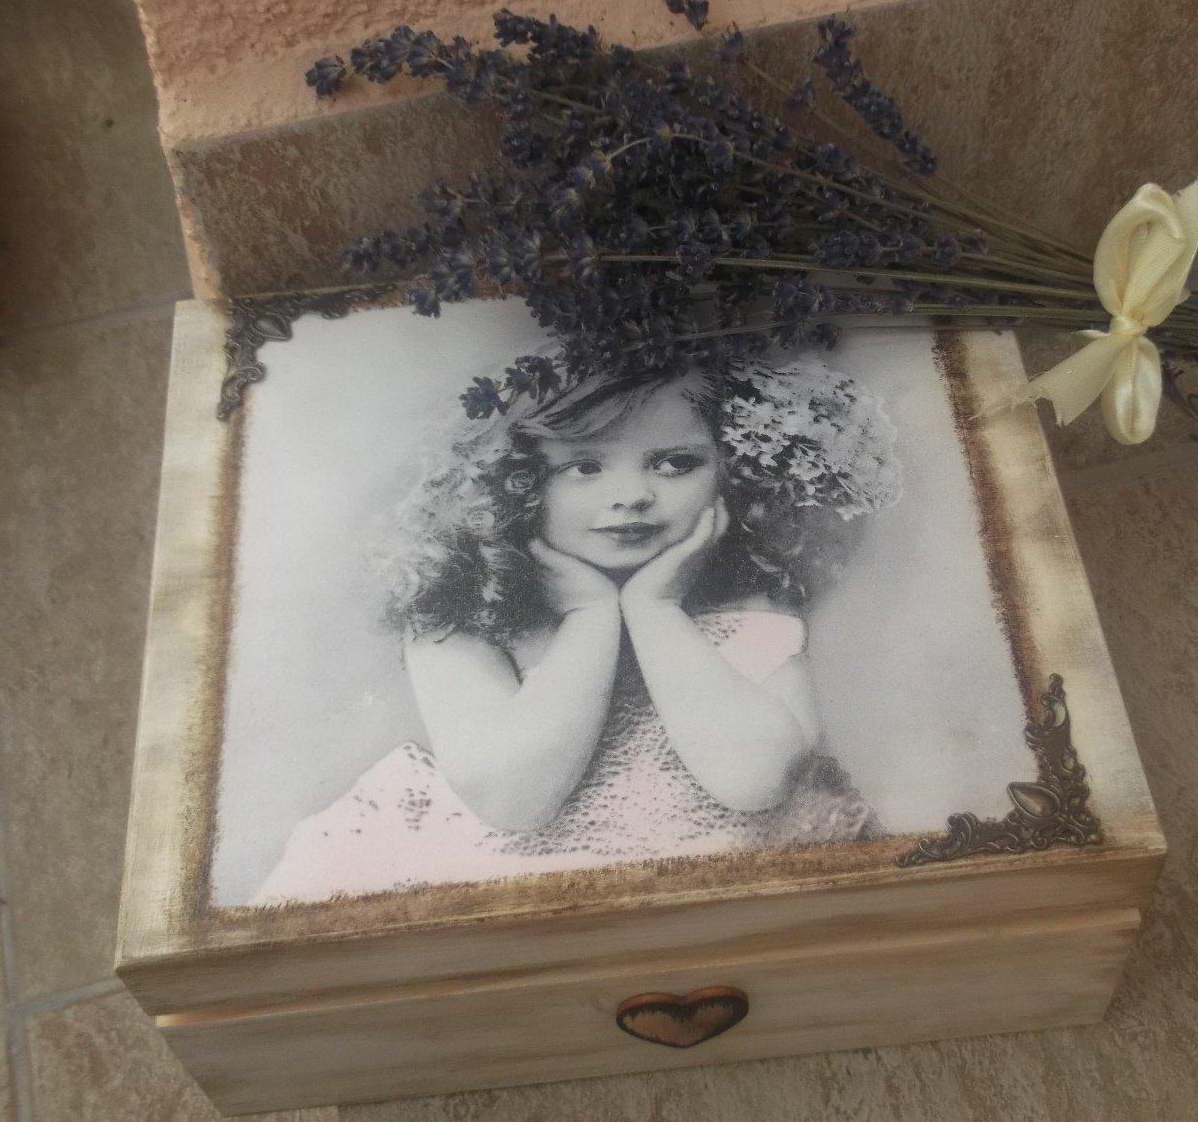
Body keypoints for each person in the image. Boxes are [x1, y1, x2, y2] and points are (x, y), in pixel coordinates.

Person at [252, 350, 904, 903]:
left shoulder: (750, 602)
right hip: (497, 894)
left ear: (728, 473)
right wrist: (589, 615)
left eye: (675, 463)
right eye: (585, 466)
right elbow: (513, 800)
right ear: (515, 480)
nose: (633, 495)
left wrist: (656, 609)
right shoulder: (463, 618)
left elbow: (755, 782)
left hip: (709, 891)